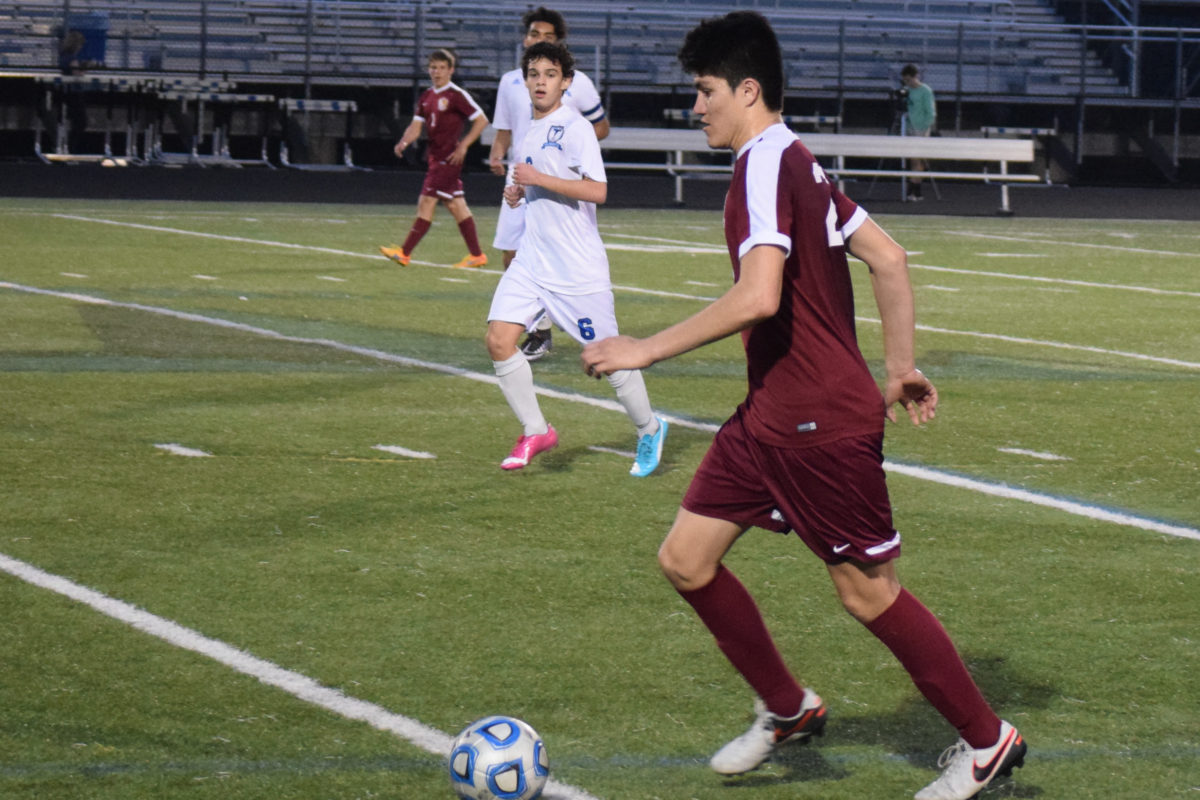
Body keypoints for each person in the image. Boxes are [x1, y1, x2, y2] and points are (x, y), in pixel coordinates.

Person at [581, 12, 1025, 800]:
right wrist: (898, 367)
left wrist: (643, 349)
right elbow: (887, 257)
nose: (698, 107)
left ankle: (987, 742)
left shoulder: (764, 164)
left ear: (747, 91)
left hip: (815, 420)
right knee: (686, 559)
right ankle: (789, 709)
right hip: (772, 416)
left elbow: (760, 295)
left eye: (706, 91)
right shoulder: (798, 161)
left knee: (867, 593)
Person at [486, 41, 666, 478]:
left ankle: (649, 428)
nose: (540, 81)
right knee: (498, 340)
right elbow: (533, 184)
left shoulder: (576, 127)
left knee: (609, 359)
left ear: (566, 82)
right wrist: (518, 192)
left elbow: (597, 191)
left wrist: (537, 179)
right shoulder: (529, 128)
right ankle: (536, 430)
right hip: (532, 260)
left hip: (576, 267)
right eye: (533, 74)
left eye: (550, 74)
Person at [488, 6, 610, 362]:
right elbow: (506, 129)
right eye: (533, 34)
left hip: (555, 185)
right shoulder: (512, 81)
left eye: (547, 36)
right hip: (523, 179)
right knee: (512, 254)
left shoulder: (577, 83)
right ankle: (537, 326)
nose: (539, 40)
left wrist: (571, 152)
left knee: (557, 252)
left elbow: (599, 126)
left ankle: (551, 326)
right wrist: (499, 155)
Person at [380, 49, 490, 269]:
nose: (437, 72)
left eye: (442, 68)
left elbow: (481, 120)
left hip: (447, 160)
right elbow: (416, 126)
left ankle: (404, 252)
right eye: (433, 68)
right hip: (435, 158)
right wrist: (404, 142)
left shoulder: (455, 95)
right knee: (457, 206)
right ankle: (477, 255)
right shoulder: (427, 96)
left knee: (427, 202)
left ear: (451, 70)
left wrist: (464, 146)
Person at [900, 63, 936, 202]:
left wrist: (925, 127)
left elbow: (930, 112)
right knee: (913, 160)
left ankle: (914, 189)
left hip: (921, 128)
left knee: (917, 159)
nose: (907, 83)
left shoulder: (925, 91)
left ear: (915, 77)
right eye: (905, 81)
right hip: (909, 127)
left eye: (909, 80)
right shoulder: (907, 90)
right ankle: (916, 188)